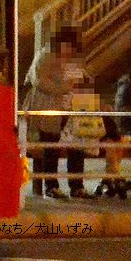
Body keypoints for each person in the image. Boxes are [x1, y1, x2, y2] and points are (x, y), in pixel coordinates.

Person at [23, 26, 91, 199]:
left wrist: (81, 84)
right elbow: (38, 80)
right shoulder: (46, 55)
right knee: (50, 145)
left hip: (69, 107)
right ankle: (51, 186)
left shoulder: (72, 58)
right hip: (47, 106)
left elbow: (80, 77)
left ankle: (77, 186)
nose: (69, 50)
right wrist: (64, 88)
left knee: (76, 145)